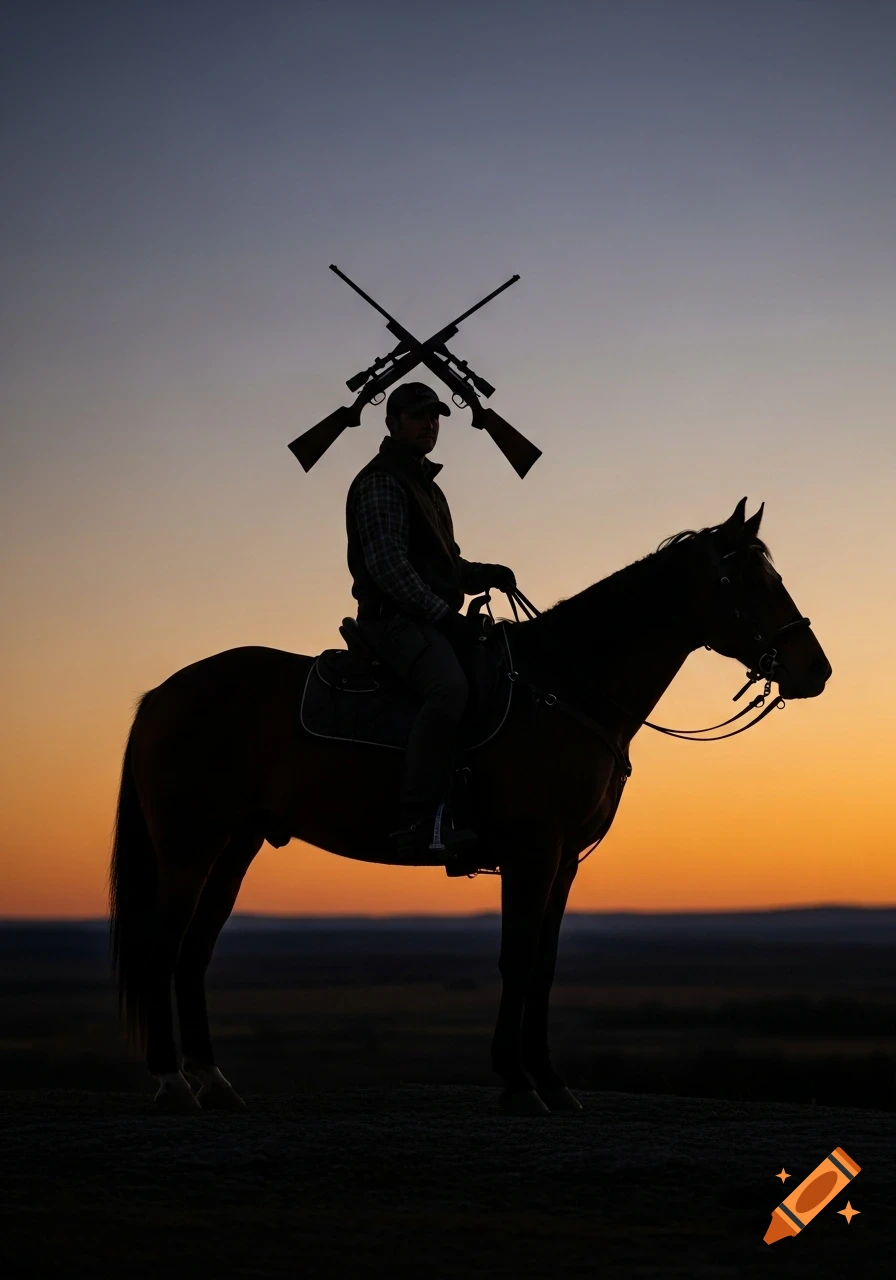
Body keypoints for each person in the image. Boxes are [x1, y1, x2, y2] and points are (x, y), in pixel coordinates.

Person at [345, 382, 516, 874]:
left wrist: (480, 573)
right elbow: (388, 568)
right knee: (449, 690)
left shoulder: (428, 486)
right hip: (394, 621)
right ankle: (417, 822)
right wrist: (446, 618)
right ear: (392, 423)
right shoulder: (381, 481)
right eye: (419, 416)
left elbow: (446, 565)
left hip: (427, 620)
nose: (430, 424)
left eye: (435, 417)